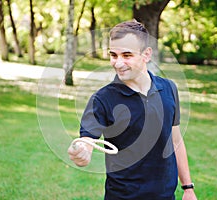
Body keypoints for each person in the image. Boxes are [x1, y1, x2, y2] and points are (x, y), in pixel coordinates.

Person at [68, 20, 197, 200]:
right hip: (122, 196)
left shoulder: (168, 88)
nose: (118, 63)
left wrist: (188, 188)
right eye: (113, 55)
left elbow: (175, 140)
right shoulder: (103, 99)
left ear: (146, 55)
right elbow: (87, 140)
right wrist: (81, 150)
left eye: (127, 55)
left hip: (165, 195)